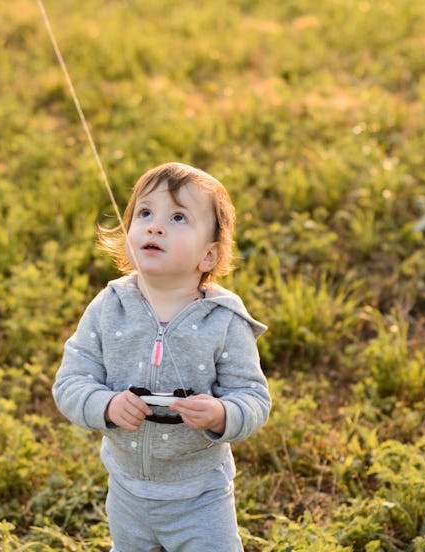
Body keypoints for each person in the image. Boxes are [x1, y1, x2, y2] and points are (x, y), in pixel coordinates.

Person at [52, 162, 271, 551]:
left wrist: (222, 415)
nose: (155, 226)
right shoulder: (109, 307)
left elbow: (253, 397)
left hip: (201, 497)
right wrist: (105, 405)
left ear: (208, 256)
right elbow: (70, 381)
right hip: (127, 492)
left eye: (178, 217)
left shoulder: (223, 321)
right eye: (145, 213)